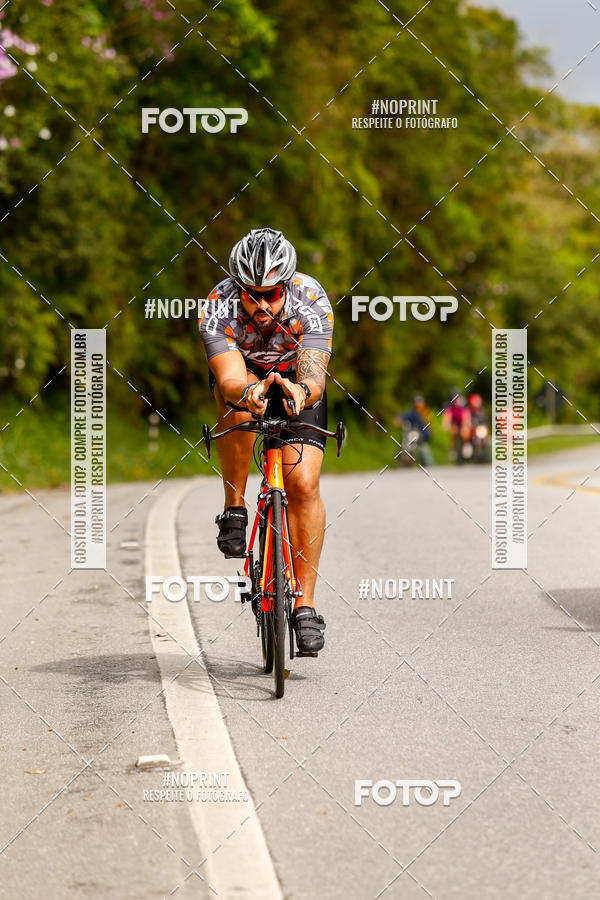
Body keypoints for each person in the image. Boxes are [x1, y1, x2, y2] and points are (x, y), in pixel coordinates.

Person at [199, 227, 334, 655]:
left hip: (296, 384)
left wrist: (301, 391)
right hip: (246, 379)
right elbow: (231, 377)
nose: (261, 305)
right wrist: (248, 392)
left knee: (304, 485)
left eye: (272, 294)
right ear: (236, 288)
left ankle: (305, 608)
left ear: (288, 286)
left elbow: (314, 376)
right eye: (251, 294)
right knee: (237, 405)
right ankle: (235, 507)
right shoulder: (217, 307)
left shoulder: (311, 300)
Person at [394, 394, 434, 466]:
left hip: (422, 438)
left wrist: (429, 432)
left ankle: (428, 465)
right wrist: (398, 420)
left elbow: (429, 425)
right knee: (403, 446)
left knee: (425, 453)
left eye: (420, 402)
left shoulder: (426, 412)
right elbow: (402, 417)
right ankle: (402, 461)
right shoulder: (412, 413)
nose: (418, 404)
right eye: (417, 402)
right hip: (412, 435)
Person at [442, 391, 471, 463]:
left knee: (465, 430)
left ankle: (466, 445)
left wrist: (465, 427)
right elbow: (446, 420)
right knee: (453, 430)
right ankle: (453, 449)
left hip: (462, 426)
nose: (456, 401)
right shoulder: (449, 408)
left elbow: (466, 419)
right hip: (454, 426)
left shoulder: (464, 408)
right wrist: (448, 427)